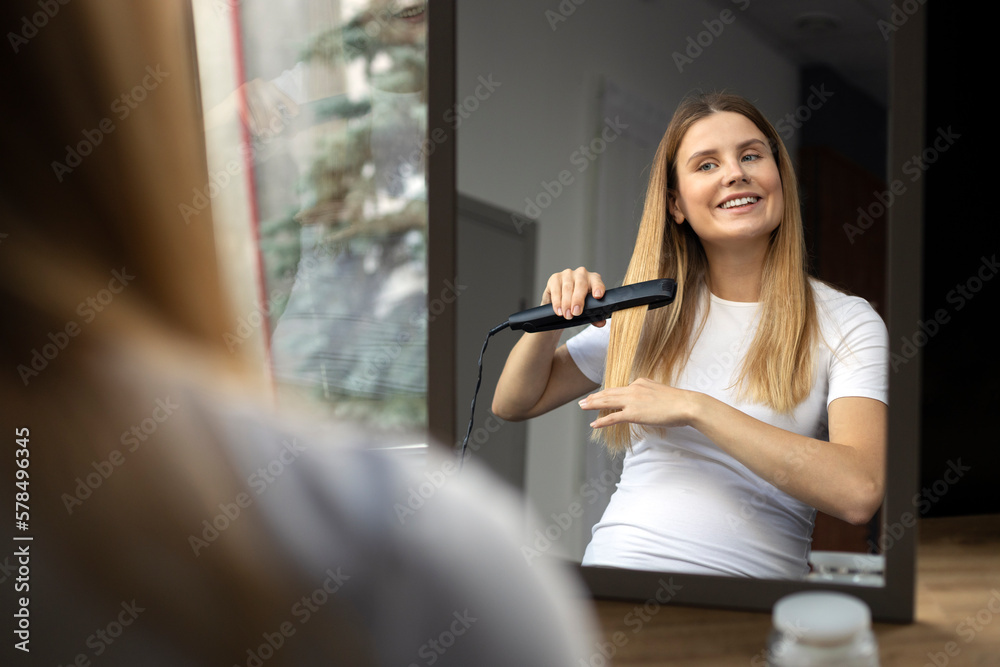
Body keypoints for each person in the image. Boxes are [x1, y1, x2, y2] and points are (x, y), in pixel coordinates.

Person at [0, 1, 596, 664]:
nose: (409, 32)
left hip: (388, 390)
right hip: (308, 373)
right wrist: (238, 116)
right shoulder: (315, 79)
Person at [492, 92, 889, 580]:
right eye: (706, 165)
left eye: (750, 155)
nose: (734, 173)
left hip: (744, 607)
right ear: (675, 204)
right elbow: (513, 403)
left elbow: (859, 491)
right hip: (618, 575)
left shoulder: (846, 321)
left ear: (779, 177)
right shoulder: (650, 313)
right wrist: (551, 319)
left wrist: (696, 408)